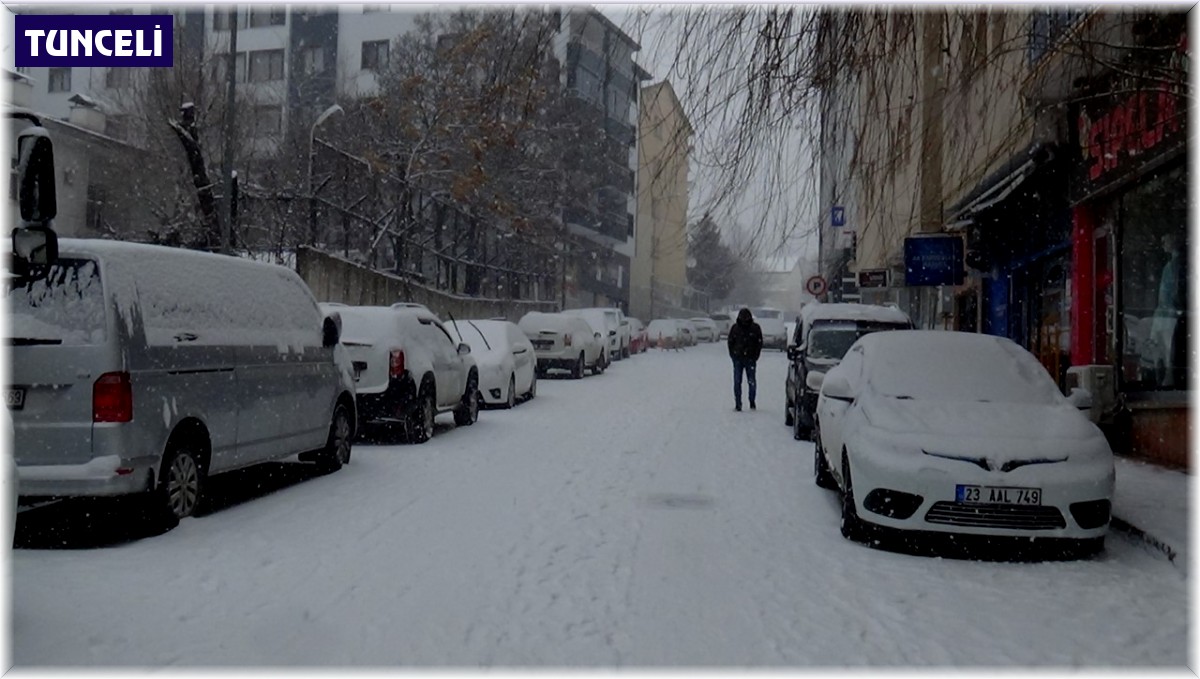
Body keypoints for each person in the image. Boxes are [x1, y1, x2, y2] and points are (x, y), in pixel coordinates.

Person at [727, 308, 763, 411]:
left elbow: (759, 343)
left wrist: (755, 356)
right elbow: (730, 342)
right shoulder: (736, 328)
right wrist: (733, 356)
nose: (744, 320)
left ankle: (750, 401)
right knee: (741, 381)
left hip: (748, 359)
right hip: (739, 358)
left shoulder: (754, 328)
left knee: (747, 381)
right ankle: (739, 403)